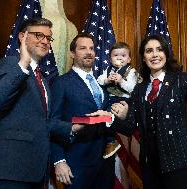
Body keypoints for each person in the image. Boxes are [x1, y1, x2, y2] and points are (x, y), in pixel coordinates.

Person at [0, 18, 83, 189]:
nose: (44, 41)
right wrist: (23, 64)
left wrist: (71, 127)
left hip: (36, 171)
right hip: (9, 171)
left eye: (48, 38)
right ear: (22, 36)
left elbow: (41, 121)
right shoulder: (9, 64)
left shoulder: (42, 79)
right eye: (38, 35)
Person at [110, 35, 187, 189]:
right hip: (150, 164)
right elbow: (129, 127)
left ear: (166, 54)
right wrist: (110, 119)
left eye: (159, 50)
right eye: (149, 51)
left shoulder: (180, 79)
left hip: (179, 160)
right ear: (144, 58)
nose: (154, 55)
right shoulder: (140, 89)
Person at [51, 33, 115, 189]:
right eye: (83, 48)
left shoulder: (103, 83)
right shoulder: (61, 83)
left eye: (92, 48)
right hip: (76, 164)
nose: (89, 52)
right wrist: (59, 160)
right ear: (72, 53)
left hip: (105, 164)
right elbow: (52, 123)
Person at [97, 42, 138, 158]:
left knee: (109, 117)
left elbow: (133, 89)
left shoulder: (131, 71)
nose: (119, 58)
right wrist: (106, 80)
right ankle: (107, 140)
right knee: (101, 115)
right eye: (116, 55)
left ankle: (111, 141)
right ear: (110, 59)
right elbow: (99, 80)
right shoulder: (109, 69)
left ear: (129, 59)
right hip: (109, 98)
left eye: (123, 56)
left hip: (122, 100)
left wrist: (121, 81)